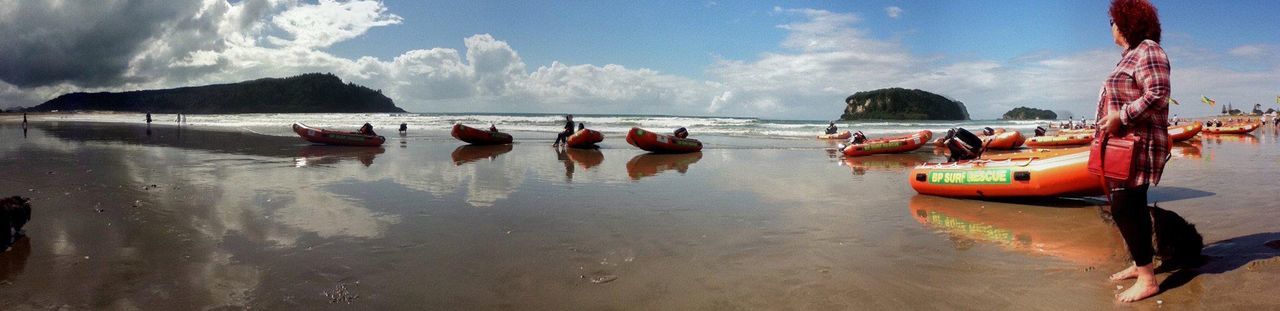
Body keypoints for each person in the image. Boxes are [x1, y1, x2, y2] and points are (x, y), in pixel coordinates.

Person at [1095, 0, 1171, 303]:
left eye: (1112, 22)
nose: (1111, 28)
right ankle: (1141, 265)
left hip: (1139, 143)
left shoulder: (1149, 50)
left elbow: (1158, 94)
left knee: (1124, 206)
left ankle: (1148, 278)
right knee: (1130, 205)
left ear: (1126, 23)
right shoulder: (1129, 57)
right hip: (1124, 144)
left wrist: (1121, 117)